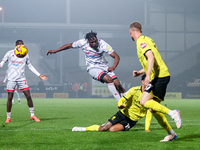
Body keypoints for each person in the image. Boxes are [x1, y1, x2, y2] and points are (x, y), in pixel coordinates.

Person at [72, 74, 178, 142]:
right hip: (122, 113)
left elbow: (151, 112)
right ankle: (81, 128)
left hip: (131, 120)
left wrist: (146, 128)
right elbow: (123, 99)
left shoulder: (150, 96)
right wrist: (120, 104)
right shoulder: (134, 90)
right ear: (142, 81)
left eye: (149, 82)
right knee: (103, 128)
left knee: (112, 130)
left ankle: (171, 125)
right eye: (146, 81)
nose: (147, 83)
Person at [129, 22, 182, 129]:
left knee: (143, 101)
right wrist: (140, 72)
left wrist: (147, 76)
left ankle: (173, 113)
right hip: (161, 75)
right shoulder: (148, 39)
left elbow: (151, 57)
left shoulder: (141, 42)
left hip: (159, 76)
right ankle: (171, 134)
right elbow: (152, 62)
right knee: (152, 108)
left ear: (130, 32)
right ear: (141, 31)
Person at [46, 31, 126, 101]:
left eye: (95, 41)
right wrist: (56, 51)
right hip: (92, 68)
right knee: (109, 79)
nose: (94, 43)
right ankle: (119, 102)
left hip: (104, 67)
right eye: (92, 42)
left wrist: (113, 67)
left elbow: (116, 56)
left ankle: (126, 103)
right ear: (88, 41)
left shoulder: (102, 44)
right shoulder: (82, 42)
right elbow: (69, 45)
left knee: (119, 86)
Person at [0, 40, 48, 123]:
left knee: (28, 96)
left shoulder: (25, 55)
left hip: (22, 78)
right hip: (11, 78)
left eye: (22, 44)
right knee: (10, 98)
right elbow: (2, 63)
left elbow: (30, 66)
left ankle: (32, 115)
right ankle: (8, 117)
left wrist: (39, 75)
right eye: (19, 45)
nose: (21, 46)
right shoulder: (10, 53)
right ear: (15, 46)